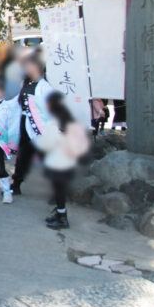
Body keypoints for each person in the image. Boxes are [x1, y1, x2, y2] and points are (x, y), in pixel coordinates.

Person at [36, 92, 90, 229]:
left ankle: (62, 218)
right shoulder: (65, 118)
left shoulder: (58, 121)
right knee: (58, 189)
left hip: (59, 161)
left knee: (59, 190)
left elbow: (49, 142)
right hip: (63, 161)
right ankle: (60, 213)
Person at [10, 53, 54, 195]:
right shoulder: (25, 83)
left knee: (47, 157)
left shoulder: (44, 86)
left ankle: (58, 192)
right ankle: (16, 183)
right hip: (25, 124)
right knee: (23, 155)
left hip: (39, 126)